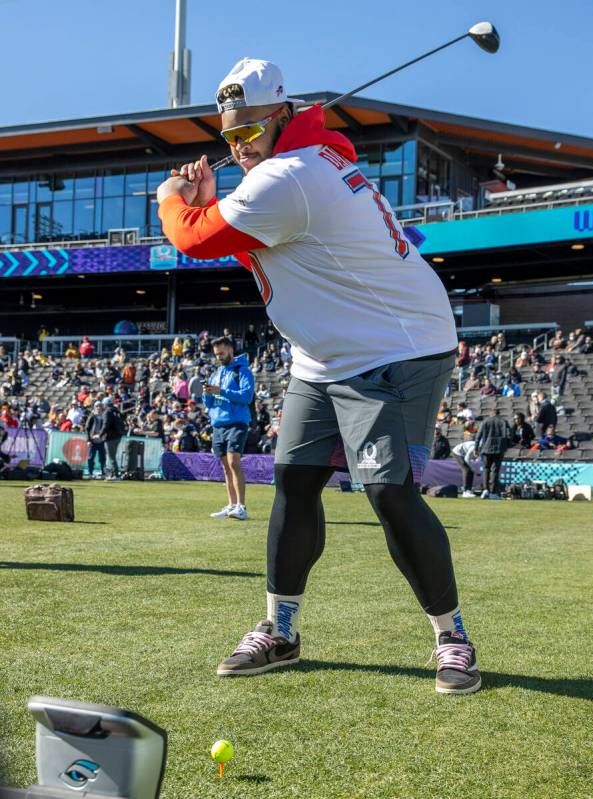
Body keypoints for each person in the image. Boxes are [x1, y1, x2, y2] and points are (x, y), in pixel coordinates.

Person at [157, 57, 480, 694]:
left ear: (281, 116)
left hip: (398, 347)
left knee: (388, 492)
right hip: (326, 354)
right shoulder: (294, 165)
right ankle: (280, 630)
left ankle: (453, 638)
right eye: (229, 137)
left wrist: (174, 200)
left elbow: (193, 241)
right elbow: (236, 226)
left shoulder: (292, 177)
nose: (239, 146)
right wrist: (209, 203)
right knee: (293, 482)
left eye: (249, 131)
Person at [204, 336, 255, 520]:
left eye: (222, 353)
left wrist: (221, 391)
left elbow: (247, 396)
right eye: (216, 354)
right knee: (226, 467)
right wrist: (207, 394)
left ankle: (242, 506)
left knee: (234, 463)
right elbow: (209, 404)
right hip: (218, 424)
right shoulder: (215, 374)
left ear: (230, 350)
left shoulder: (242, 370)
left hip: (237, 422)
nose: (219, 357)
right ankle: (232, 505)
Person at [475, 408, 511, 499]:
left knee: (486, 469)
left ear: (491, 414)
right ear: (499, 414)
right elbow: (510, 435)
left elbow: (478, 436)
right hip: (499, 449)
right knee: (495, 470)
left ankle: (485, 489)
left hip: (486, 448)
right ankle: (493, 492)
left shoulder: (485, 421)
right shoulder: (504, 422)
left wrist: (476, 448)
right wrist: (506, 447)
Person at [101, 397, 124, 479]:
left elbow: (106, 425)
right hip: (118, 436)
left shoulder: (107, 412)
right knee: (112, 456)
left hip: (110, 437)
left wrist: (100, 434)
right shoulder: (117, 411)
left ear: (105, 404)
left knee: (111, 457)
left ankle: (115, 474)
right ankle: (113, 473)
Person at [86, 400, 107, 478]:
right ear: (95, 407)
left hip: (101, 440)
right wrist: (88, 440)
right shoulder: (92, 416)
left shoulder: (104, 416)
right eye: (97, 406)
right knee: (91, 457)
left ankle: (103, 473)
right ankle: (90, 472)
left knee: (102, 458)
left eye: (100, 406)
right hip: (93, 441)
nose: (98, 408)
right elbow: (87, 428)